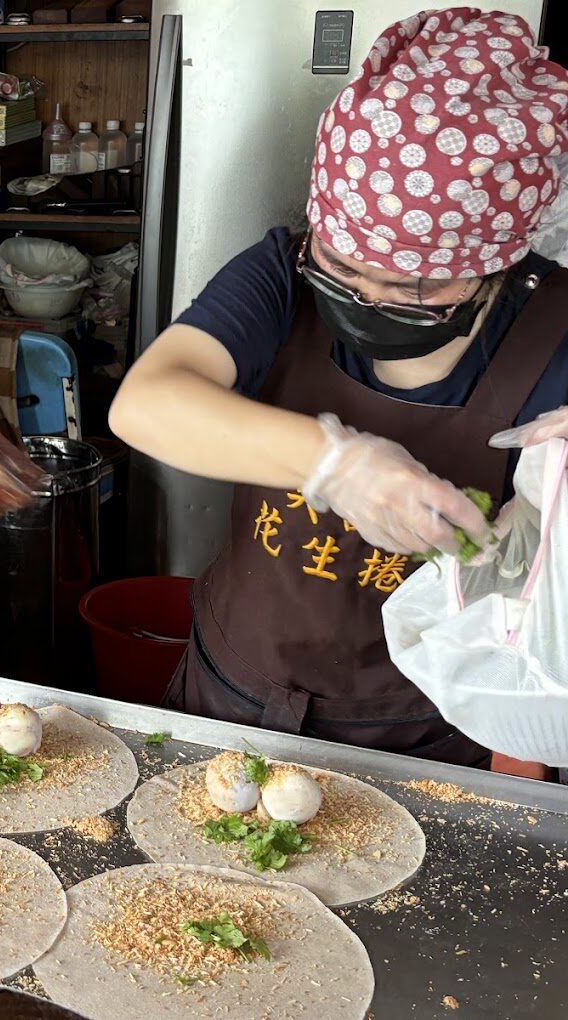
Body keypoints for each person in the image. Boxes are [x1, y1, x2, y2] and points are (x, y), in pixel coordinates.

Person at [109, 8, 568, 767]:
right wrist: (336, 464)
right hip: (230, 692)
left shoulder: (553, 329)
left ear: (498, 261)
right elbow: (147, 403)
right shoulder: (277, 277)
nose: (364, 297)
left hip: (414, 733)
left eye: (413, 287)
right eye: (342, 266)